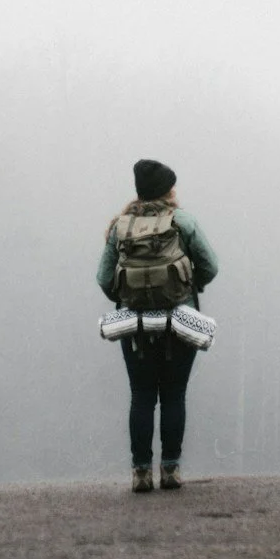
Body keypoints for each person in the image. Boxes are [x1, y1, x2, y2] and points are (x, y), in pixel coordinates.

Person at [97, 158, 220, 493]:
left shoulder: (121, 225)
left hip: (134, 324)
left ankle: (140, 472)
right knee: (173, 394)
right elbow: (210, 266)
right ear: (169, 190)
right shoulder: (182, 221)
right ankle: (170, 470)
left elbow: (103, 278)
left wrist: (127, 296)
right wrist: (189, 288)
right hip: (179, 321)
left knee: (142, 395)